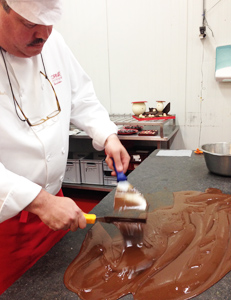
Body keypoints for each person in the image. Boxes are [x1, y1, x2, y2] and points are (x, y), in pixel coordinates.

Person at [0, 0, 130, 294]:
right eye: (30, 23)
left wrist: (107, 135)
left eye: (49, 22)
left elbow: (80, 97)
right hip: (5, 226)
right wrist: (39, 202)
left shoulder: (52, 42)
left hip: (58, 211)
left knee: (58, 288)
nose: (43, 34)